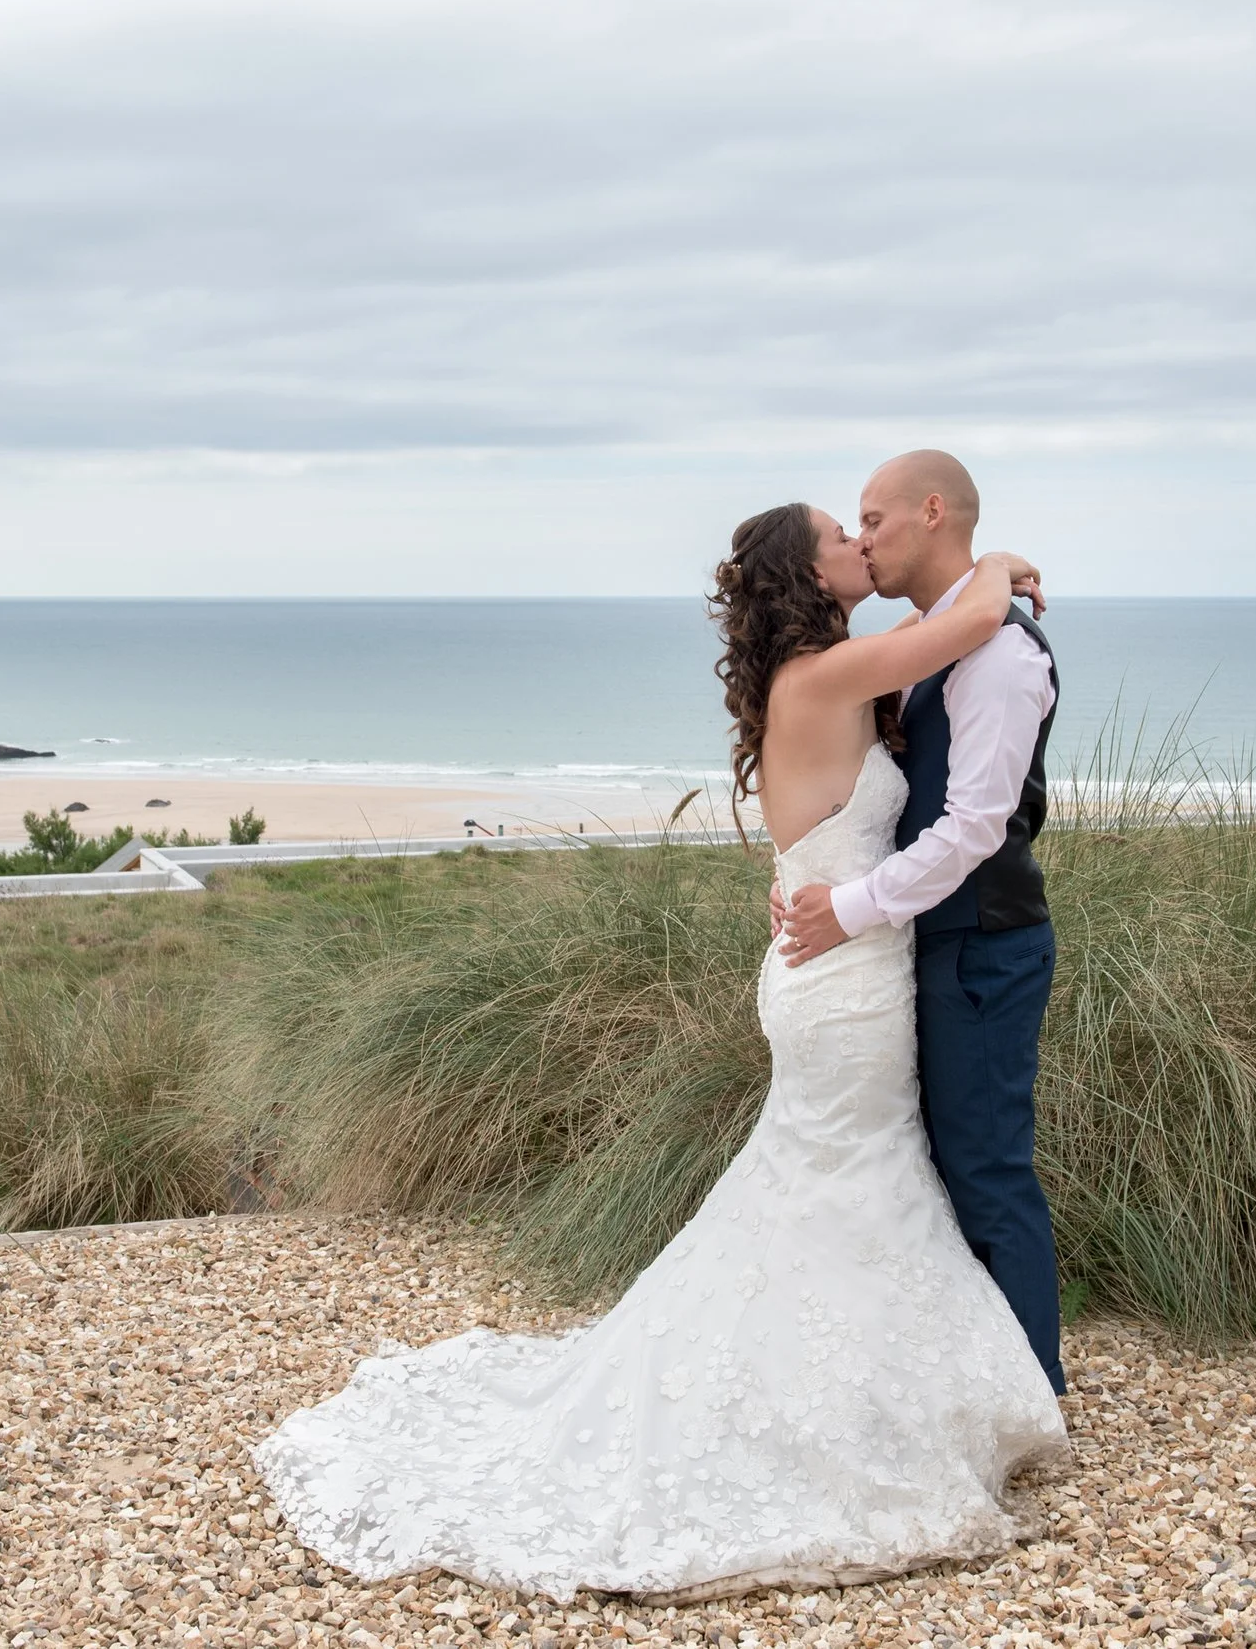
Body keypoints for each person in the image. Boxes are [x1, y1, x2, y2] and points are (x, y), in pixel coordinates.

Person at [252, 492, 1066, 1603]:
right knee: (842, 1175)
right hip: (841, 977)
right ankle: (858, 1402)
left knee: (835, 1177)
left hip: (834, 960)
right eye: (843, 532)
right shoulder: (826, 677)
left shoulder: (824, 679)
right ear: (805, 572)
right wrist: (1001, 564)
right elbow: (967, 629)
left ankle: (866, 1389)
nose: (859, 542)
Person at [775, 450, 1068, 1396]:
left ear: (931, 512)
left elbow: (976, 826)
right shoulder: (929, 639)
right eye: (847, 529)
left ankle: (1030, 1395)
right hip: (911, 951)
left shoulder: (1001, 652)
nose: (862, 538)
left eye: (873, 518)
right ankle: (954, 1385)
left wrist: (849, 907)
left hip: (982, 942)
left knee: (985, 1171)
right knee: (932, 1172)